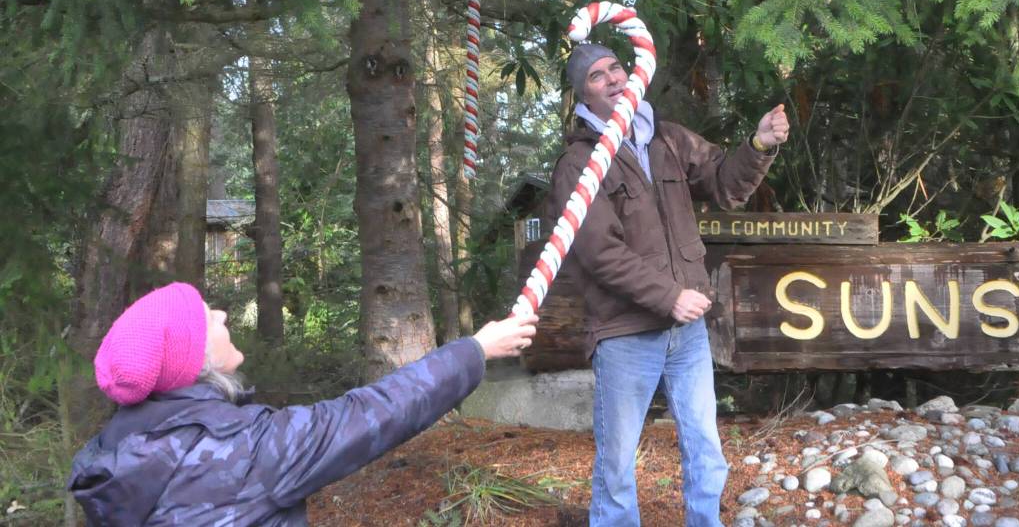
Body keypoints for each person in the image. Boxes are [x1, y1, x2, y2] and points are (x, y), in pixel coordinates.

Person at [548, 43, 789, 526]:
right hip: (624, 332)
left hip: (687, 331)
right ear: (582, 95)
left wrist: (759, 144)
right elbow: (599, 253)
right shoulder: (578, 164)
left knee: (705, 443)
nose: (614, 79)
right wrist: (669, 296)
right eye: (598, 76)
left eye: (617, 67)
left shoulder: (667, 138)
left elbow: (724, 184)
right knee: (617, 460)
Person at [68, 282, 538, 526]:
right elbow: (373, 412)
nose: (221, 314)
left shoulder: (120, 448)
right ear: (194, 360)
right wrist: (476, 350)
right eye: (205, 316)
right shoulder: (243, 452)